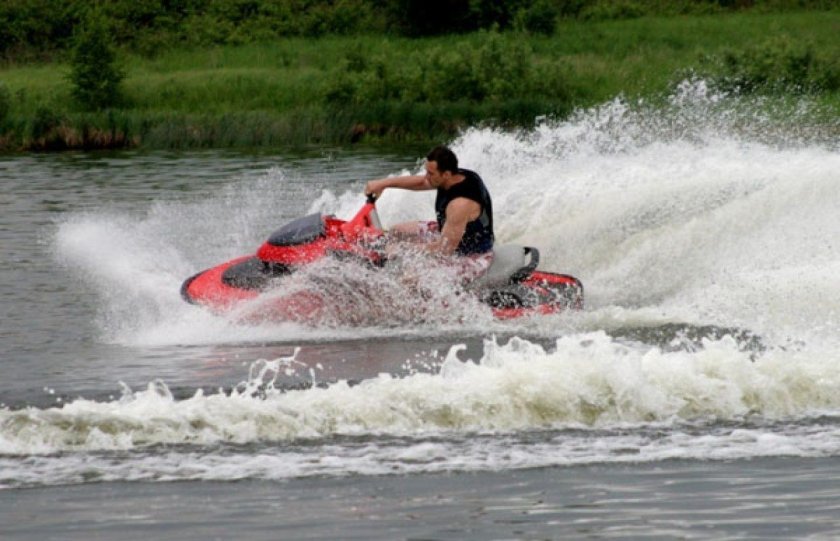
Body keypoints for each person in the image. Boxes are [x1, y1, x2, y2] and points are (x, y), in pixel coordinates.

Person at [364, 146, 494, 260]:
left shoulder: (460, 204)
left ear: (446, 174)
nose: (426, 177)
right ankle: (383, 259)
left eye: (430, 173)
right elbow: (421, 182)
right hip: (447, 233)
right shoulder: (453, 176)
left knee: (410, 280)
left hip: (470, 254)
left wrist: (401, 248)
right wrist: (383, 184)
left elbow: (444, 250)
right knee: (396, 231)